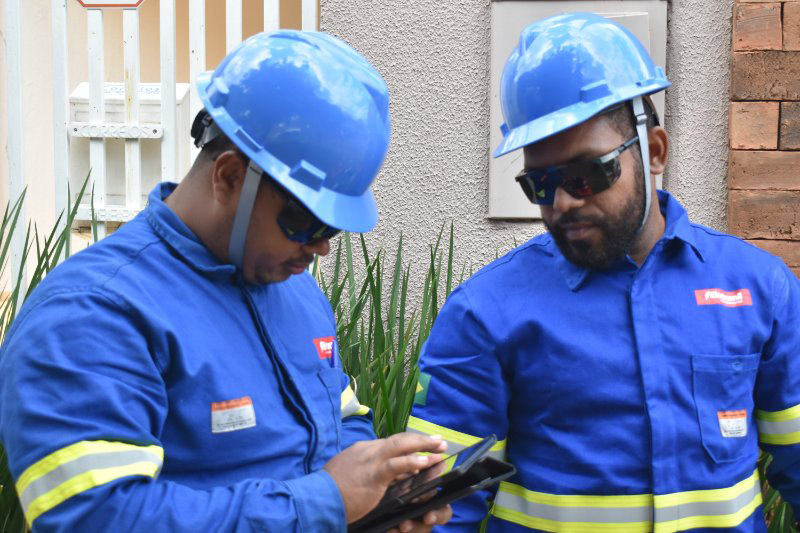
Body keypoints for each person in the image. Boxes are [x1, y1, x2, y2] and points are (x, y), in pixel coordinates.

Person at [0, 31, 452, 532]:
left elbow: (340, 423)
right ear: (230, 177)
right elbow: (96, 517)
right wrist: (325, 502)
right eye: (305, 222)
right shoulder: (91, 313)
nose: (320, 246)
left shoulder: (293, 289)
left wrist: (381, 494)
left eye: (333, 227)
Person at [407, 12, 800, 532]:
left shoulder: (758, 289)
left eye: (588, 174)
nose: (563, 202)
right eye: (540, 185)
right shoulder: (484, 314)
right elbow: (441, 513)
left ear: (654, 151)